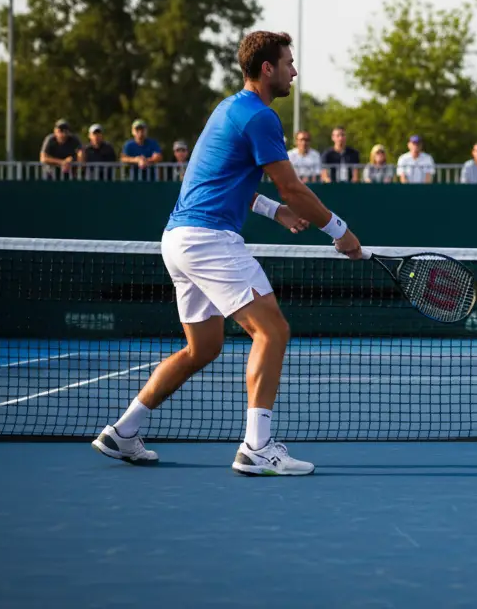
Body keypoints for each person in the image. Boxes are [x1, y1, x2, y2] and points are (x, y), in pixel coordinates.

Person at [92, 31, 365, 476]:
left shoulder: (227, 109)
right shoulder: (260, 117)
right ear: (267, 69)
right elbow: (293, 187)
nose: (294, 71)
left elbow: (223, 181)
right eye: (288, 63)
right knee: (272, 331)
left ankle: (123, 431)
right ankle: (257, 447)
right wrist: (340, 232)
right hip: (208, 240)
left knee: (203, 348)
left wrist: (275, 212)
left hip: (178, 240)